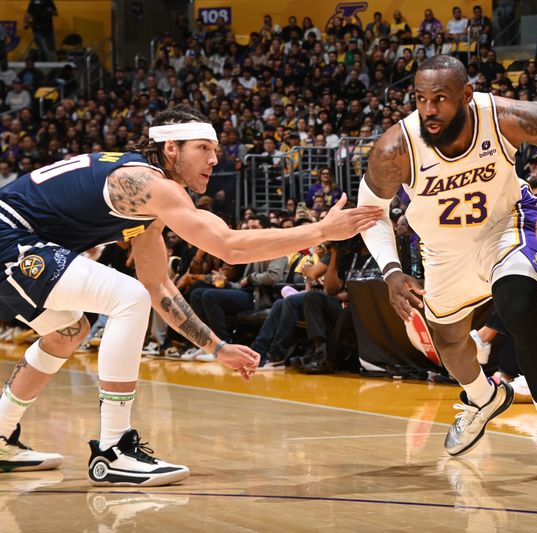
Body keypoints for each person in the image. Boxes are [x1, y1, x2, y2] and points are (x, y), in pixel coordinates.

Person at [0, 106, 381, 485]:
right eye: (203, 148)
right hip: (9, 239)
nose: (215, 159)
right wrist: (321, 231)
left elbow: (159, 285)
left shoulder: (146, 203)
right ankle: (114, 449)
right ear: (170, 148)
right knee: (126, 298)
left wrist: (217, 347)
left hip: (21, 245)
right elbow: (229, 248)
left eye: (215, 149)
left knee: (68, 332)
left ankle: (1, 435)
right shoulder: (145, 183)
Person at [357, 56, 537, 482]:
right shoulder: (395, 148)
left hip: (505, 226)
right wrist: (390, 269)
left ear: (466, 96)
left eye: (440, 99)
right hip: (442, 249)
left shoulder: (506, 118)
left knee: (517, 306)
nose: (430, 110)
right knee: (449, 343)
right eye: (421, 99)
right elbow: (370, 211)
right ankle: (484, 398)